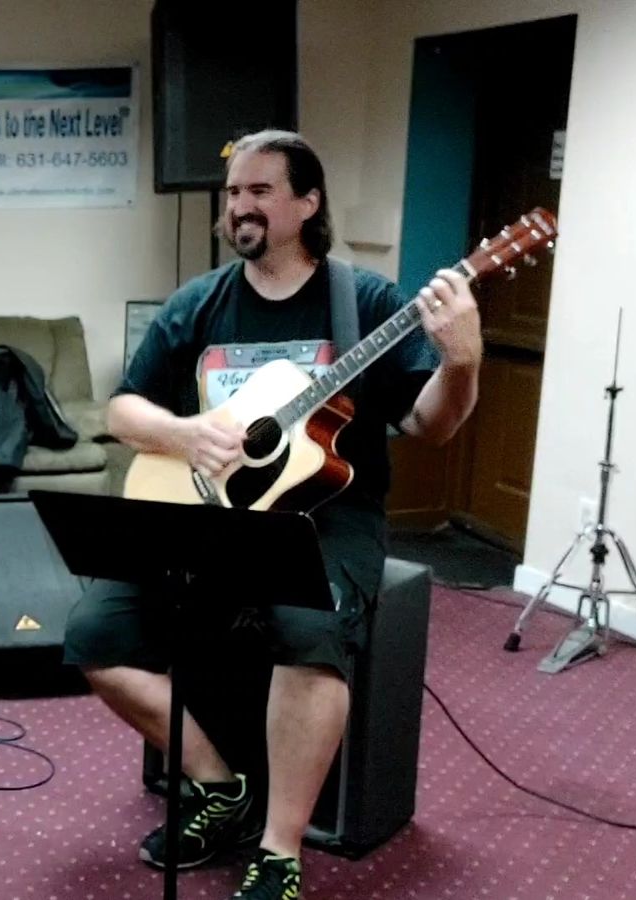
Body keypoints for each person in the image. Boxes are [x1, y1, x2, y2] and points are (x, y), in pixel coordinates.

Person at [63, 130, 481, 900]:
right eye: (233, 193)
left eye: (260, 191)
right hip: (208, 509)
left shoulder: (366, 305)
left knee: (308, 633)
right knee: (94, 636)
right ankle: (218, 786)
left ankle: (279, 850)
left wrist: (463, 362)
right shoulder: (199, 303)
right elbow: (121, 410)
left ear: (308, 202)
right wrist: (185, 434)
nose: (240, 207)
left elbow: (432, 424)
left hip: (328, 516)